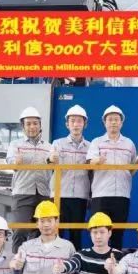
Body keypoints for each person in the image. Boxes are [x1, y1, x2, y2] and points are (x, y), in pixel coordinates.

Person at [87, 105, 136, 250]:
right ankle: (99, 260)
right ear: (104, 122)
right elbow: (89, 164)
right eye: (110, 119)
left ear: (121, 122)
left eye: (116, 119)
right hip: (101, 194)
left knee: (118, 232)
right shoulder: (97, 142)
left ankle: (116, 260)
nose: (113, 122)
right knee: (98, 231)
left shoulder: (129, 144)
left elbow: (133, 167)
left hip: (122, 194)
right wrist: (97, 161)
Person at [8, 106, 53, 251]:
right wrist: (16, 162)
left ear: (40, 125)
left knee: (41, 231)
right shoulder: (15, 145)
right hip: (23, 192)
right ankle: (17, 261)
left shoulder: (49, 147)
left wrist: (54, 161)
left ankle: (36, 259)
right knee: (20, 229)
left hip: (44, 193)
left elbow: (54, 165)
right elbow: (10, 164)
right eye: (28, 124)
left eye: (35, 123)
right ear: (23, 126)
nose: (32, 127)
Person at [49, 105, 91, 249]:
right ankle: (57, 260)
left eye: (79, 121)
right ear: (67, 124)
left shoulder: (90, 147)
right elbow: (49, 162)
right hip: (59, 194)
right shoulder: (57, 144)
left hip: (80, 195)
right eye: (72, 121)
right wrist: (51, 159)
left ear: (85, 124)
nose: (76, 124)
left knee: (76, 233)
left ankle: (75, 260)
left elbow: (92, 173)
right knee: (57, 231)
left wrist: (90, 195)